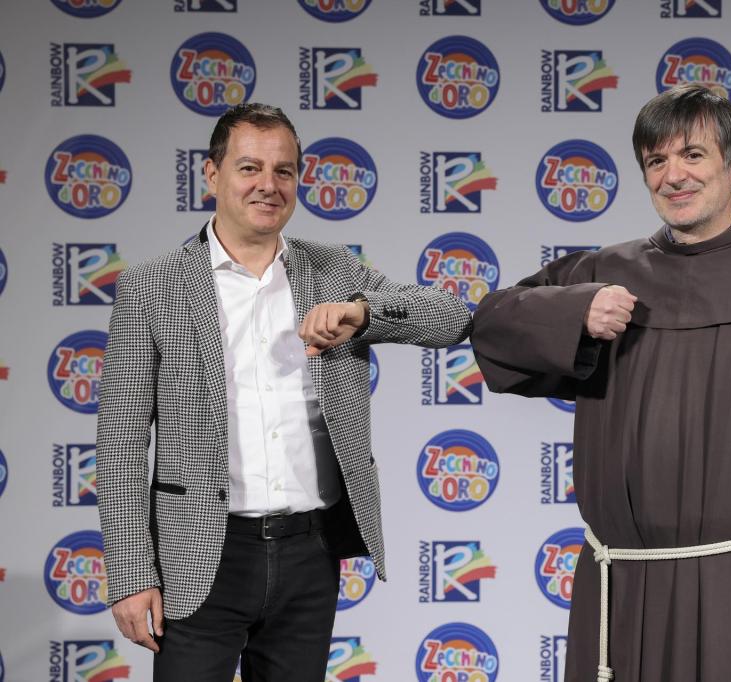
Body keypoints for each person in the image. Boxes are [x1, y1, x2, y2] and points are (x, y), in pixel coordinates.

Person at [471, 85, 731, 682]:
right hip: (623, 583)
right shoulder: (606, 273)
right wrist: (576, 312)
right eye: (656, 161)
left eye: (692, 155)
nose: (673, 176)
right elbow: (492, 325)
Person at [96, 103, 471, 681]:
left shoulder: (335, 272)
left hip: (308, 555)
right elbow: (120, 442)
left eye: (284, 171)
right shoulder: (152, 286)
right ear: (212, 174)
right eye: (249, 168)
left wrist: (362, 314)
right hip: (198, 553)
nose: (268, 185)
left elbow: (451, 318)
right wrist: (129, 573)